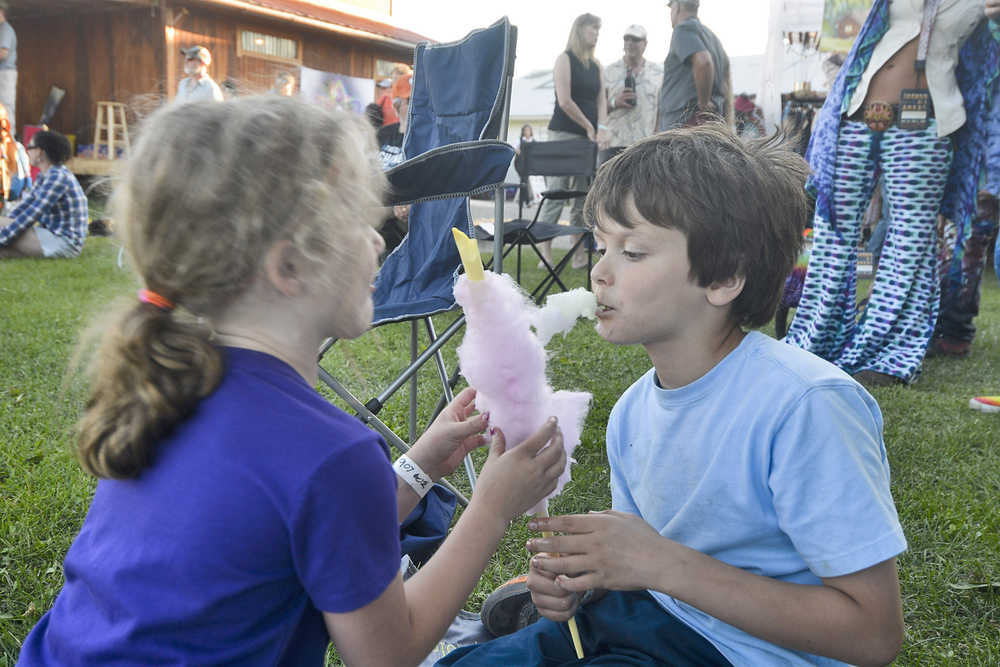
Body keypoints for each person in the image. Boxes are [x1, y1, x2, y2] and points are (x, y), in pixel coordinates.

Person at [15, 96, 567, 666]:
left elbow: (294, 529)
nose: (379, 240)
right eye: (358, 222)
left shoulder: (166, 385)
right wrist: (492, 507)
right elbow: (388, 653)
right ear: (289, 268)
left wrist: (419, 465)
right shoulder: (332, 455)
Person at [437, 125, 906, 667]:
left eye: (632, 252)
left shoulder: (806, 407)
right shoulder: (634, 411)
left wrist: (661, 564)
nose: (600, 271)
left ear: (725, 276)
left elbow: (873, 635)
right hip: (643, 620)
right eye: (601, 244)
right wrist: (582, 581)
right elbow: (641, 571)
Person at [784, 0, 1000, 386]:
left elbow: (991, 60)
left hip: (925, 124)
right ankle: (816, 340)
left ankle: (888, 353)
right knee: (834, 229)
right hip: (857, 112)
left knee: (911, 238)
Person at [535, 13, 610, 270]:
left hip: (588, 137)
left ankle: (578, 253)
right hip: (563, 134)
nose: (597, 34)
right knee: (557, 192)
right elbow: (565, 100)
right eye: (593, 29)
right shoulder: (564, 59)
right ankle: (544, 251)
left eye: (598, 30)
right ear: (580, 31)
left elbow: (601, 100)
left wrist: (601, 128)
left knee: (583, 197)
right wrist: (589, 126)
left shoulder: (597, 65)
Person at [0, 130, 87, 259]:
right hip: (49, 236)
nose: (27, 151)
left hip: (64, 243)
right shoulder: (45, 175)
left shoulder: (58, 177)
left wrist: (2, 237)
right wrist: (5, 224)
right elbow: (25, 206)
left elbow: (32, 215)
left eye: (30, 147)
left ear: (40, 152)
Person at [656, 0, 732, 131]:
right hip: (710, 125)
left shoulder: (682, 29)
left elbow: (703, 62)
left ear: (678, 6)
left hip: (684, 125)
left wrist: (704, 103)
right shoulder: (713, 38)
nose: (670, 13)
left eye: (671, 7)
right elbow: (726, 85)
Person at [602, 24, 662, 161]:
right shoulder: (607, 72)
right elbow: (596, 110)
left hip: (646, 145)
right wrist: (614, 103)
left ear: (645, 44)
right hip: (613, 145)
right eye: (626, 39)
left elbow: (662, 109)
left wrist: (658, 136)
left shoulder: (658, 73)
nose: (630, 43)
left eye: (635, 39)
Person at [0, 0, 16, 134]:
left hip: (5, 73)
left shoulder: (5, 29)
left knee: (6, 106)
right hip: (3, 72)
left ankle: (9, 140)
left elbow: (3, 53)